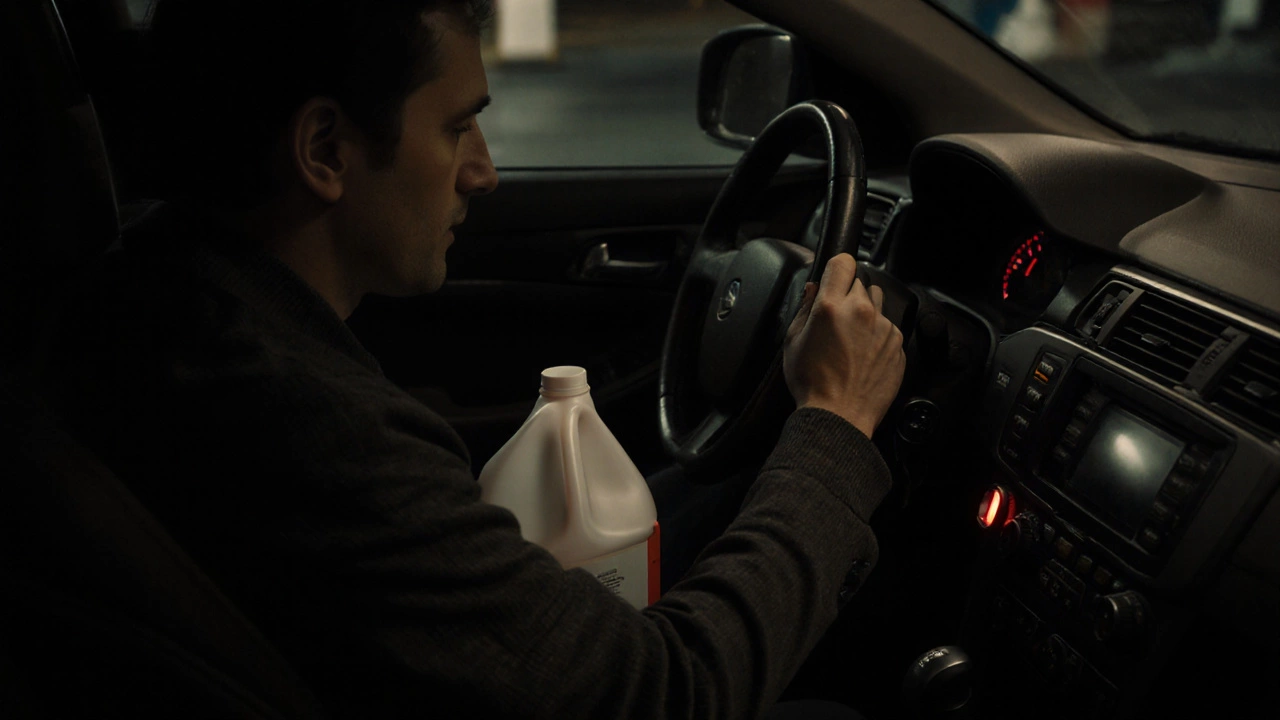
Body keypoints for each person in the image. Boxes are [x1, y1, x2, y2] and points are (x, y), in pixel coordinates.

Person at [51, 0, 906, 717]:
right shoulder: (304, 424)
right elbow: (667, 692)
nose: (484, 173)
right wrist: (833, 420)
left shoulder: (163, 299)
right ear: (322, 150)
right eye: (458, 126)